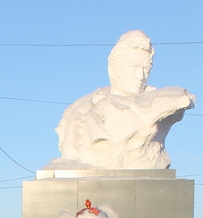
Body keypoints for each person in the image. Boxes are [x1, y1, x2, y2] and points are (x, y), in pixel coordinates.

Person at [55, 30, 195, 170]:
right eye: (133, 67)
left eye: (146, 69)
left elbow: (183, 98)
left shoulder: (161, 101)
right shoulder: (82, 107)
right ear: (113, 69)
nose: (140, 76)